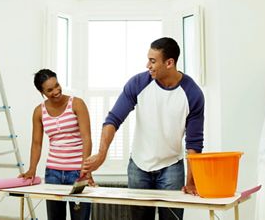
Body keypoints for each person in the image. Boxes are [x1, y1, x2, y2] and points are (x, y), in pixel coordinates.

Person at [82, 37, 204, 220]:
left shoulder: (192, 93)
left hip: (171, 167)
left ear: (169, 63)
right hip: (139, 165)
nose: (148, 65)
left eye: (153, 61)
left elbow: (194, 143)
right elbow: (113, 120)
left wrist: (191, 183)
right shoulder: (139, 83)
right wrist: (101, 155)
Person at [20, 69, 93, 220]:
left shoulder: (77, 104)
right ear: (42, 92)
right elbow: (36, 143)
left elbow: (87, 138)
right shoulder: (39, 112)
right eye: (49, 90)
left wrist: (86, 170)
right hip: (53, 174)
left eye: (57, 85)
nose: (56, 91)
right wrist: (32, 169)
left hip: (77, 173)